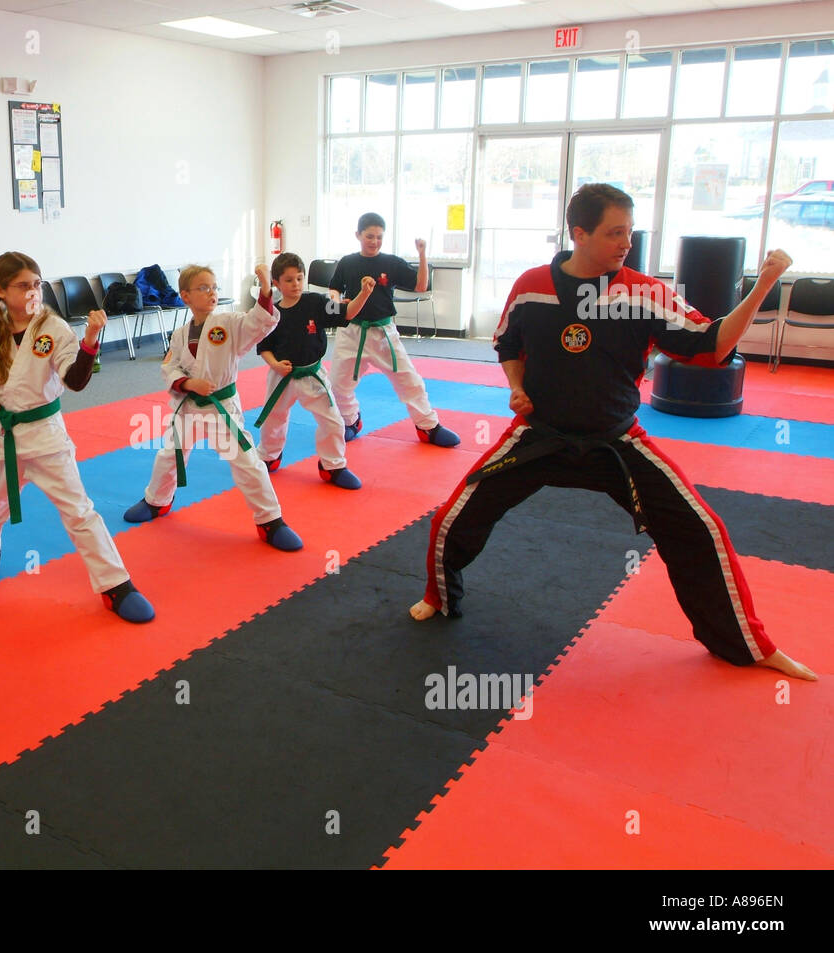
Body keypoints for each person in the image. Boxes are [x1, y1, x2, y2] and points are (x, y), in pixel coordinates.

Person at [410, 184, 816, 683]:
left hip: (617, 442)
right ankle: (439, 597)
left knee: (702, 531)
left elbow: (711, 346)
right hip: (540, 435)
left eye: (629, 231)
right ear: (579, 234)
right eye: (614, 232)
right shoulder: (533, 286)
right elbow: (508, 343)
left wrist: (763, 285)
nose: (626, 241)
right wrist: (516, 386)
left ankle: (746, 646)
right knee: (451, 519)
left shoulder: (644, 292)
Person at [0, 251, 154, 624]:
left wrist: (91, 341)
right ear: (0, 290)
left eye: (37, 284)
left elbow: (75, 381)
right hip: (6, 435)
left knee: (79, 512)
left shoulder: (53, 328)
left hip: (46, 437)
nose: (33, 291)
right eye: (24, 286)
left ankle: (116, 585)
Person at [123, 264, 304, 551]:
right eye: (204, 288)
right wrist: (187, 383)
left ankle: (271, 521)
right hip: (189, 407)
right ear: (185, 296)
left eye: (215, 287)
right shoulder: (181, 334)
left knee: (247, 462)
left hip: (221, 408)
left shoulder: (229, 323)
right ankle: (156, 501)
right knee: (169, 455)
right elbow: (169, 366)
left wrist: (266, 291)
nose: (212, 293)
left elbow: (259, 322)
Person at [327, 213, 460, 448]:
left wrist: (421, 254)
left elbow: (420, 286)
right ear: (358, 235)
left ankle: (427, 426)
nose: (374, 241)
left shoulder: (391, 262)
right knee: (339, 383)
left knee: (410, 380)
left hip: (383, 333)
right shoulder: (347, 262)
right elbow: (334, 289)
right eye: (369, 236)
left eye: (379, 237)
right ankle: (350, 421)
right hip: (352, 332)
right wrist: (337, 303)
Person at [255, 251, 375, 489]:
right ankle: (269, 456)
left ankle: (333, 466)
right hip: (281, 376)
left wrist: (364, 293)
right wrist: (275, 364)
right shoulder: (272, 313)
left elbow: (347, 313)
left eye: (299, 278)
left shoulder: (316, 303)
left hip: (312, 375)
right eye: (289, 280)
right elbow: (264, 347)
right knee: (273, 419)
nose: (295, 284)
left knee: (333, 421)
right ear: (277, 283)